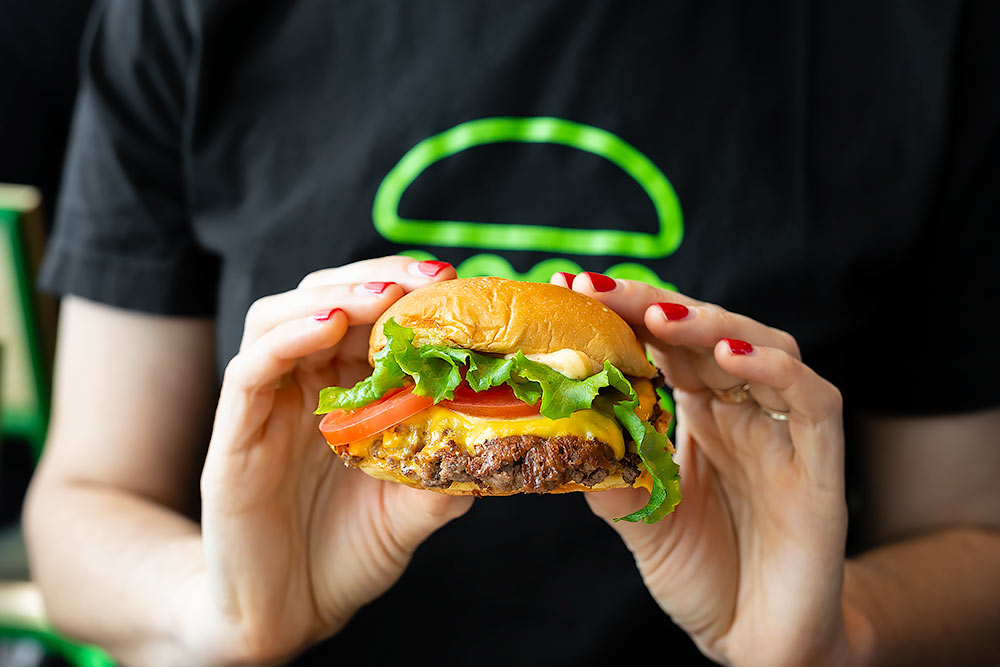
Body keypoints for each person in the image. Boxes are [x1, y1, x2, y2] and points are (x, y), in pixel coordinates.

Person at [23, 1, 1000, 665]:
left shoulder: (919, 30)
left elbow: (972, 535)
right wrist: (217, 607)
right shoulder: (184, 15)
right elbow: (78, 505)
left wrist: (840, 629)